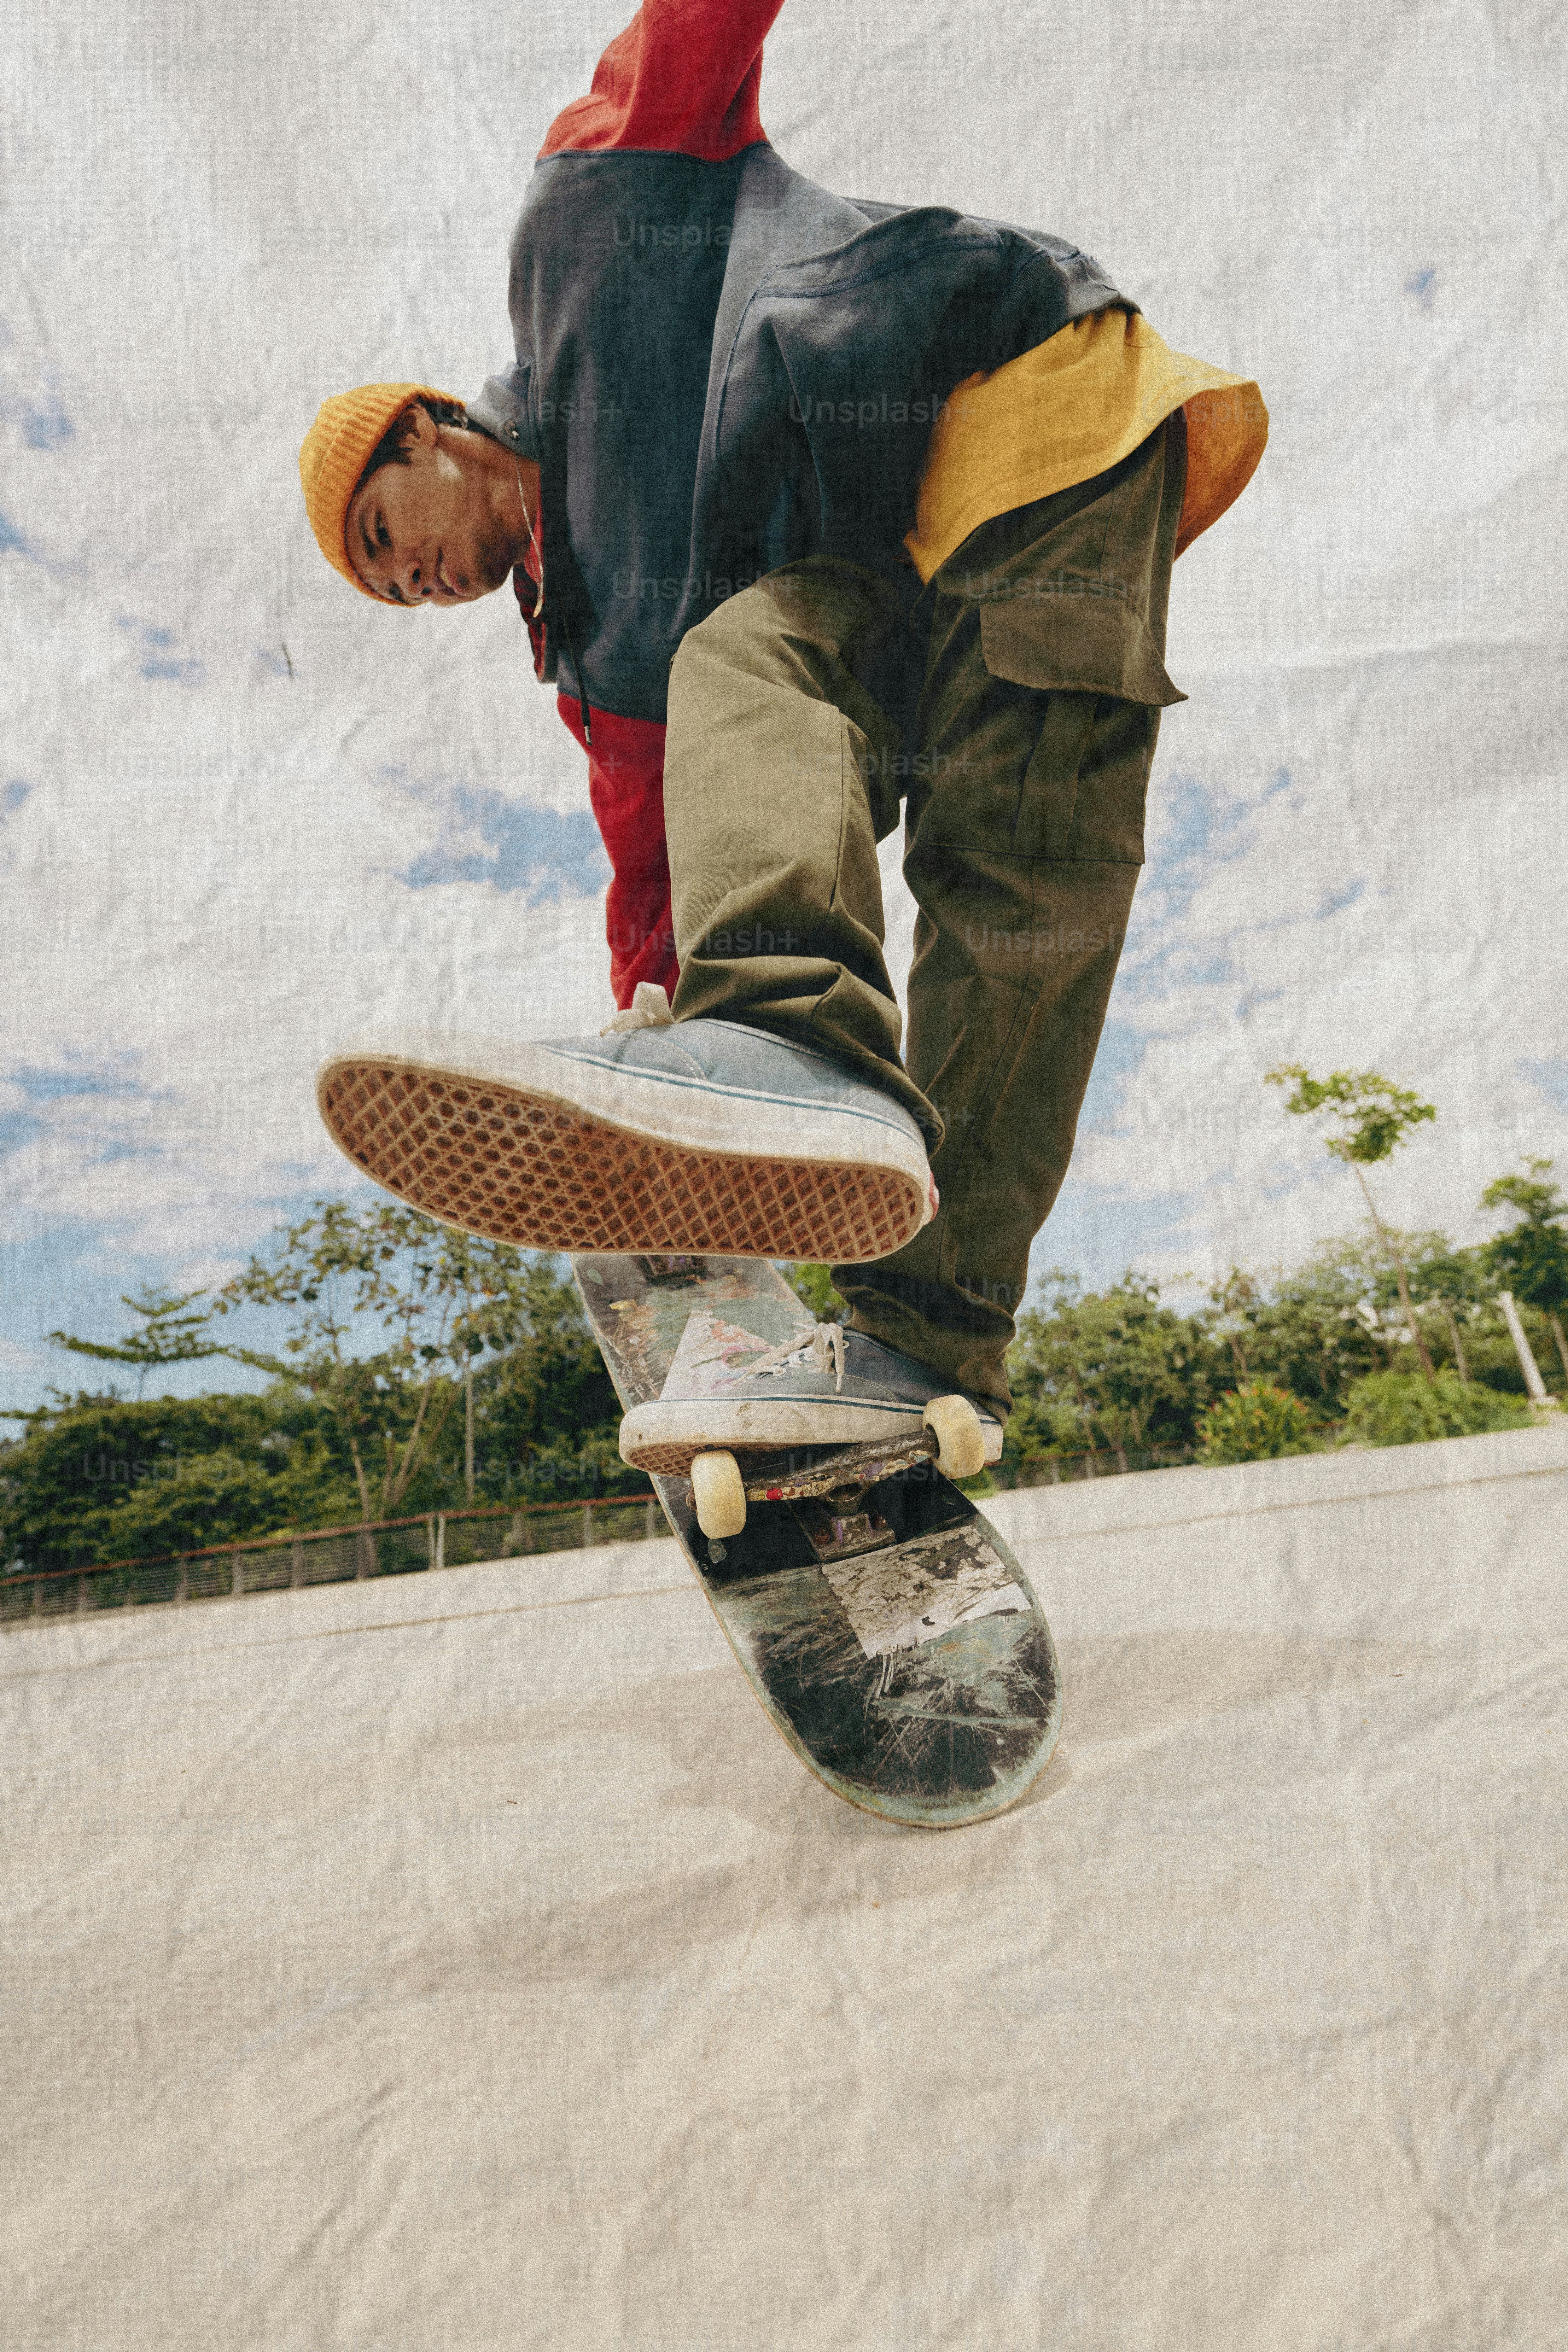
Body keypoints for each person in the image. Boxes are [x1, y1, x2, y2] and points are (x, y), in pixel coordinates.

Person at [298, 0, 1266, 1467]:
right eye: (388, 587)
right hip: (890, 574)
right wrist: (649, 1072)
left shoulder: (590, 219)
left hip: (1029, 412)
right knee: (740, 659)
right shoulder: (598, 657)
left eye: (389, 532)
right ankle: (830, 1171)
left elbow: (695, 28)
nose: (411, 580)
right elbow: (654, 864)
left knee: (1011, 880)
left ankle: (918, 1295)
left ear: (425, 428)